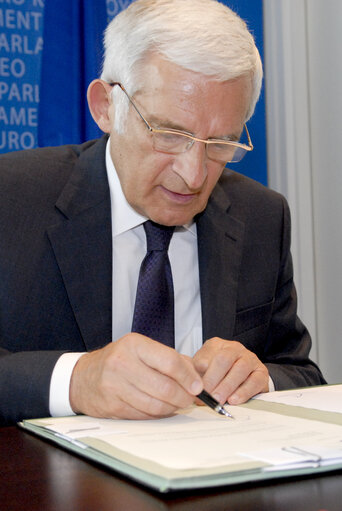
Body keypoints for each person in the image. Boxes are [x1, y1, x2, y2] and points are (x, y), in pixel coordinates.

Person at [0, 0, 325, 426]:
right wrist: (77, 379)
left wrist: (259, 378)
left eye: (220, 143)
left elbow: (302, 374)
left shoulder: (261, 217)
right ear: (105, 107)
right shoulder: (13, 200)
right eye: (170, 134)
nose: (193, 176)